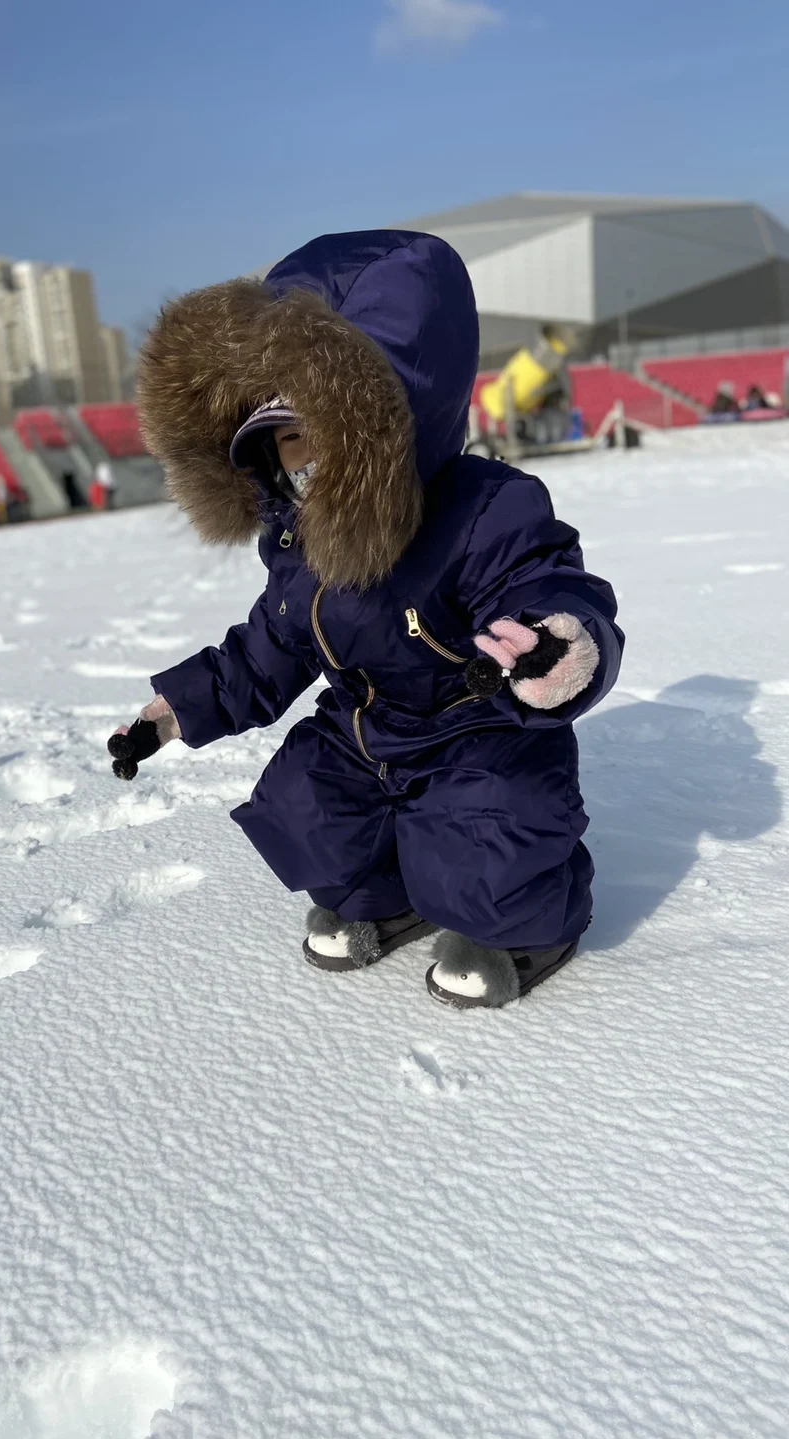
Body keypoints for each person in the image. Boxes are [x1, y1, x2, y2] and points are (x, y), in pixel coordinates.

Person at [107, 231, 623, 1009]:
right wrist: (177, 709)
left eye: (317, 433)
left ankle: (523, 929)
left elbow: (547, 582)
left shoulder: (484, 508)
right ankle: (386, 898)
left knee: (483, 838)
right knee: (306, 804)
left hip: (476, 730)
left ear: (386, 424)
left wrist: (553, 646)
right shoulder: (295, 539)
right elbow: (269, 646)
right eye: (282, 442)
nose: (301, 460)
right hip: (367, 729)